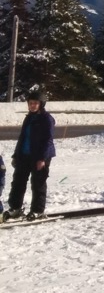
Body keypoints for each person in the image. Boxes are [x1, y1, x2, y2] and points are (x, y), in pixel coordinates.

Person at [5, 91, 57, 220]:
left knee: (38, 183)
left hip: (39, 157)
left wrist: (42, 159)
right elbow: (23, 137)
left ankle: (37, 210)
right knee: (18, 182)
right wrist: (16, 155)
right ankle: (15, 209)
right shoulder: (28, 117)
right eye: (31, 103)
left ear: (41, 104)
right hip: (24, 155)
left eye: (36, 103)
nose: (33, 105)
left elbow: (48, 140)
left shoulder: (46, 119)